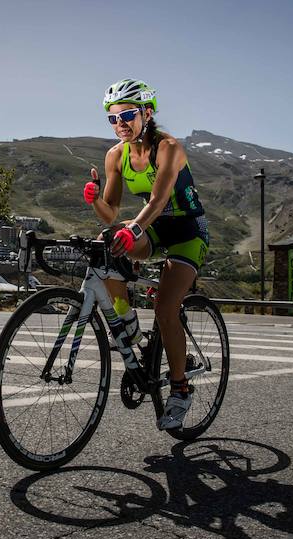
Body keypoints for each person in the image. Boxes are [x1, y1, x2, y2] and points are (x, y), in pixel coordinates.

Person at [83, 78, 208, 430]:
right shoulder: (115, 156)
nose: (120, 123)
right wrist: (96, 200)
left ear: (147, 113)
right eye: (113, 118)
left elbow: (159, 200)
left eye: (128, 115)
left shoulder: (169, 147)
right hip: (151, 227)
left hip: (186, 230)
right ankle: (126, 318)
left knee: (166, 308)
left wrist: (132, 229)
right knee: (105, 241)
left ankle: (181, 389)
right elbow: (111, 212)